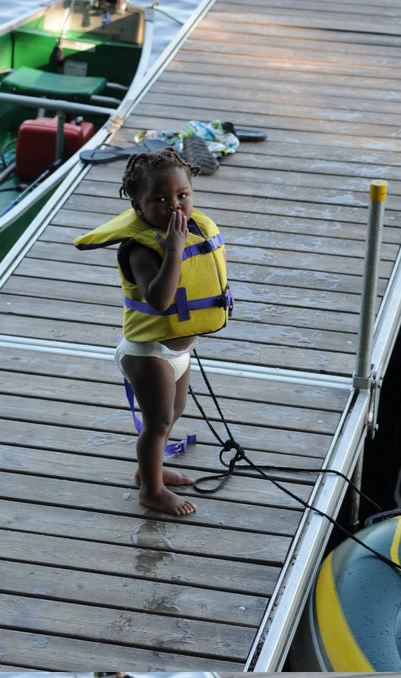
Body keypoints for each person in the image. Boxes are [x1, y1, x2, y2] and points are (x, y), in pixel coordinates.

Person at [74, 147, 232, 516]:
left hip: (178, 352)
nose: (174, 206)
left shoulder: (194, 230)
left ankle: (150, 471)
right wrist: (174, 250)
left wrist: (179, 244)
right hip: (147, 353)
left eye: (182, 195)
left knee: (172, 414)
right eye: (159, 199)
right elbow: (160, 300)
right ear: (137, 205)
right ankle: (151, 491)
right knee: (157, 422)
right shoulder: (139, 250)